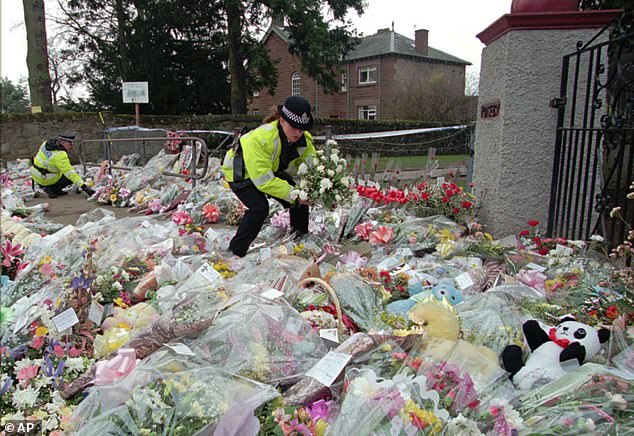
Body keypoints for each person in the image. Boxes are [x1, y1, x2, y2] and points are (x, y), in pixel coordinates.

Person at [222, 96, 316, 257]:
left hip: (269, 171)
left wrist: (322, 191)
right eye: (294, 127)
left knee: (299, 196)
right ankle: (235, 252)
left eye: (302, 128)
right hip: (239, 172)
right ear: (282, 121)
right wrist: (297, 195)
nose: (298, 132)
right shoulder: (262, 138)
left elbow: (313, 167)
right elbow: (264, 182)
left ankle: (300, 241)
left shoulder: (303, 140)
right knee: (259, 207)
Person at [31, 132, 95, 199]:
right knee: (70, 177)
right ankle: (51, 189)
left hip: (35, 175)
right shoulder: (60, 155)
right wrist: (84, 187)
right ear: (63, 142)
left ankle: (51, 188)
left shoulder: (45, 144)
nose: (71, 146)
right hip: (46, 179)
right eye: (70, 143)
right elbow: (70, 173)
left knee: (62, 171)